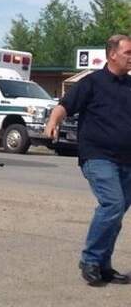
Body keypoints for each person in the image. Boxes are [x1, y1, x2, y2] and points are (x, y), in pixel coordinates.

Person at [45, 34, 131, 286]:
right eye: (128, 52)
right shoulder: (91, 82)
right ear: (112, 54)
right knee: (112, 205)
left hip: (128, 160)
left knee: (114, 216)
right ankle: (91, 260)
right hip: (98, 157)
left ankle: (104, 266)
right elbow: (64, 106)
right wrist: (52, 122)